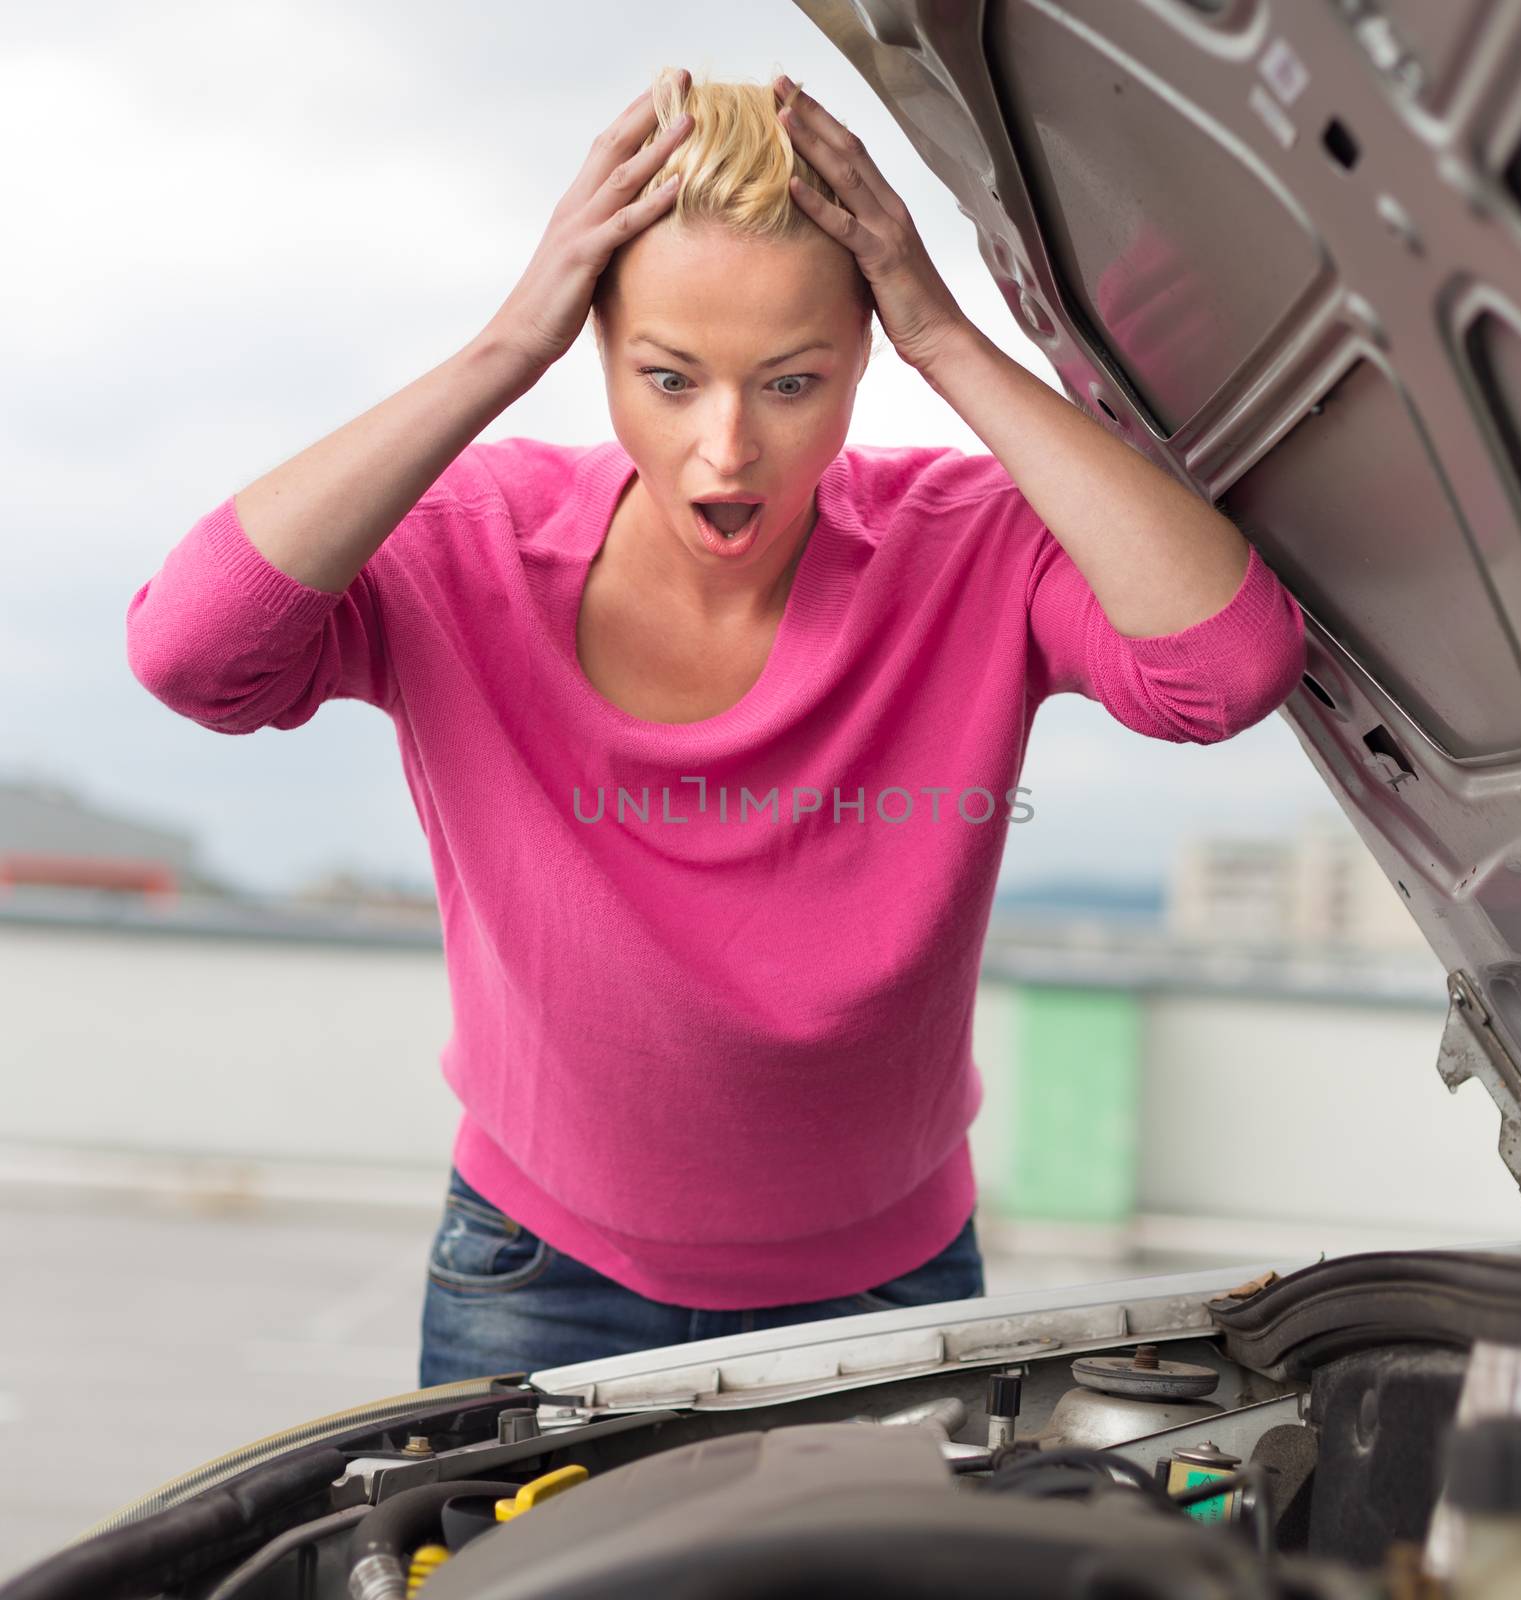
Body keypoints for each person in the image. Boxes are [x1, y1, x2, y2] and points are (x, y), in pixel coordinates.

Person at [124, 67, 1307, 1385]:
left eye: (792, 383)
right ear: (597, 347)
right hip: (540, 1280)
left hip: (892, 1294)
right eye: (670, 378)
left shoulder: (967, 544)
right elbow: (193, 655)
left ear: (865, 358)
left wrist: (951, 339)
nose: (727, 449)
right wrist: (500, 350)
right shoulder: (473, 547)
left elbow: (1228, 667)